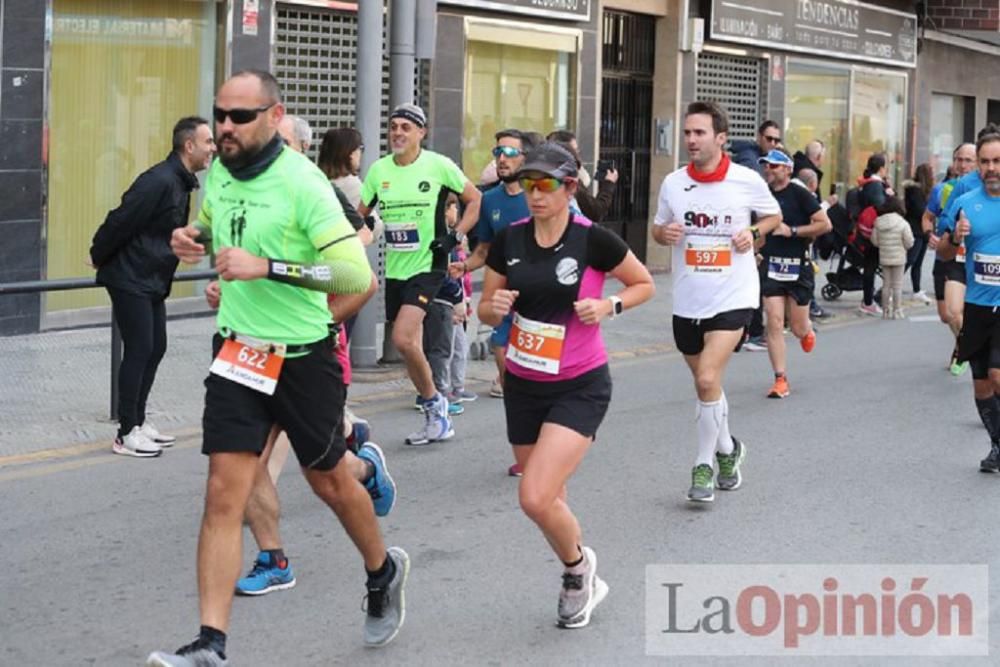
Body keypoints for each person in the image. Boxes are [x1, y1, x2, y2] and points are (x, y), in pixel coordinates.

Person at [147, 70, 407, 667]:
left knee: (330, 483)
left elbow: (353, 277)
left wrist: (269, 268)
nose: (226, 128)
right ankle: (210, 644)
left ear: (273, 115)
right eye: (220, 116)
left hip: (301, 359)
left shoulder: (304, 185)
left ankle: (382, 569)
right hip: (239, 353)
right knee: (222, 496)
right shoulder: (220, 176)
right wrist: (193, 237)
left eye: (240, 117)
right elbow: (216, 228)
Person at [478, 142, 654, 628]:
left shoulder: (592, 239)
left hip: (579, 384)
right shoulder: (509, 239)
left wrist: (607, 307)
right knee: (550, 497)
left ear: (569, 187)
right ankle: (578, 568)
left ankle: (579, 571)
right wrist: (491, 309)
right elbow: (487, 305)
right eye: (528, 184)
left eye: (546, 185)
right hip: (522, 383)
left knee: (533, 496)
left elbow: (643, 284)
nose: (534, 194)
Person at [226, 114, 386, 598]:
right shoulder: (245, 192)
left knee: (326, 473)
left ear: (298, 148)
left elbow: (360, 274)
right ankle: (272, 558)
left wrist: (324, 317)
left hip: (306, 346)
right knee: (247, 459)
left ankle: (365, 469)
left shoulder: (318, 191)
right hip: (248, 346)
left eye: (281, 143)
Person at [651, 101, 781, 502]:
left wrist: (754, 234)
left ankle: (703, 464)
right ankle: (729, 448)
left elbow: (772, 216)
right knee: (707, 386)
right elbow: (657, 230)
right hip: (688, 300)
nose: (690, 139)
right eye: (687, 132)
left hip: (734, 295)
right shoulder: (674, 183)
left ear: (720, 138)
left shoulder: (745, 180)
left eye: (699, 133)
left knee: (707, 378)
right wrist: (665, 234)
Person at [90, 116, 215, 458]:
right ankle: (126, 432)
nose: (213, 148)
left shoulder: (179, 181)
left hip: (152, 277)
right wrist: (98, 254)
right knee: (141, 348)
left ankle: (139, 422)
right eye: (208, 142)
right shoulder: (158, 180)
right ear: (189, 146)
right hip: (131, 277)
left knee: (155, 347)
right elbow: (121, 219)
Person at [358, 102, 482, 446]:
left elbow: (475, 200)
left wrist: (454, 237)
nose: (397, 132)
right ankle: (434, 407)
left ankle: (435, 404)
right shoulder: (378, 170)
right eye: (394, 126)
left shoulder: (438, 166)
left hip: (430, 265)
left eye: (406, 127)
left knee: (400, 338)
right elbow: (361, 215)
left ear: (421, 133)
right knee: (408, 344)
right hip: (396, 269)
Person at [450, 129, 534, 408]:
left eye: (510, 153)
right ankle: (519, 404)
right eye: (498, 152)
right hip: (503, 291)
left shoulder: (539, 195)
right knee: (500, 346)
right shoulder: (490, 200)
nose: (502, 158)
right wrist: (465, 266)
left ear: (525, 158)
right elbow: (484, 250)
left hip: (538, 290)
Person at [938, 132, 1000, 471]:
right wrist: (955, 237)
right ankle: (997, 445)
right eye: (986, 162)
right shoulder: (966, 201)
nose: (991, 168)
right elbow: (943, 250)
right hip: (977, 305)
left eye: (997, 161)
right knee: (980, 386)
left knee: (997, 373)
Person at [757, 148, 831, 398]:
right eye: (766, 165)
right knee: (774, 322)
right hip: (771, 266)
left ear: (787, 170)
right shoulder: (762, 195)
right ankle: (780, 379)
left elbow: (824, 224)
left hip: (798, 266)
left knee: (797, 328)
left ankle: (806, 330)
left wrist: (794, 231)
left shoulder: (799, 193)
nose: (769, 170)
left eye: (774, 166)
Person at [926, 143, 977, 373]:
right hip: (949, 254)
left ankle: (965, 349)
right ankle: (965, 342)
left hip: (977, 261)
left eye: (969, 160)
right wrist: (932, 235)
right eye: (959, 159)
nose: (963, 164)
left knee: (959, 310)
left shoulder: (988, 190)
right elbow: (928, 218)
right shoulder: (943, 189)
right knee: (947, 315)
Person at [423, 196, 467, 417]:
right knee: (440, 350)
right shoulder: (443, 239)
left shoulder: (430, 234)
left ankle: (429, 393)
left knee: (432, 349)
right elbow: (443, 274)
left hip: (430, 299)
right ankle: (439, 395)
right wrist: (458, 297)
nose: (456, 212)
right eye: (453, 207)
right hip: (441, 300)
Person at [856, 154, 892, 316]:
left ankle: (870, 300)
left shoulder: (867, 183)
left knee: (871, 266)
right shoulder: (876, 186)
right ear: (881, 168)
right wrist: (890, 196)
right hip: (874, 232)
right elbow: (880, 207)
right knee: (871, 266)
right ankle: (868, 301)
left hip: (866, 230)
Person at [871, 197, 914, 319]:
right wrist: (904, 247)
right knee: (897, 286)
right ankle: (897, 311)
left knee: (886, 285)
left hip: (884, 256)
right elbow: (909, 241)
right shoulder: (902, 223)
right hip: (899, 257)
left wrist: (883, 246)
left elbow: (874, 240)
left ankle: (885, 311)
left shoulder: (878, 222)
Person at [903, 163, 935, 304]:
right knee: (910, 260)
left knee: (918, 263)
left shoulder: (922, 191)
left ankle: (917, 290)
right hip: (915, 229)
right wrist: (931, 213)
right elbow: (919, 210)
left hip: (921, 231)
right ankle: (892, 286)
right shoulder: (915, 191)